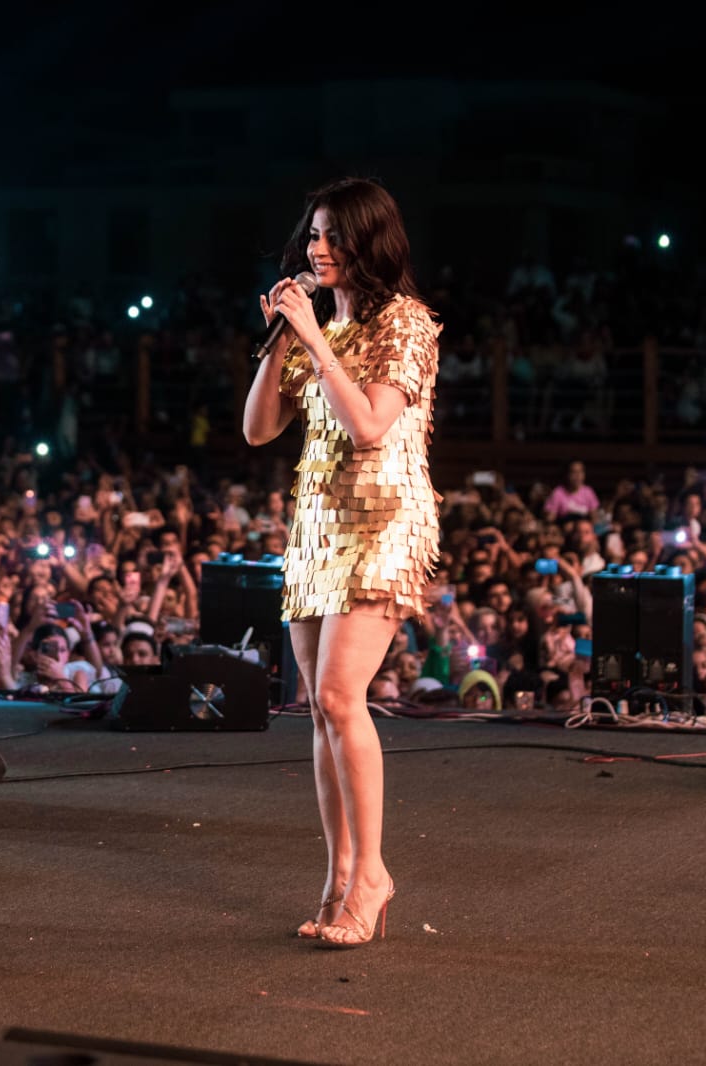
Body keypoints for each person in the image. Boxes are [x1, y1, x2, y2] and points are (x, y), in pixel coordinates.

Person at [241, 176, 440, 949]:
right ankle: (338, 877)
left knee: (338, 693)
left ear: (369, 242)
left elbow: (367, 427)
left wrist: (316, 340)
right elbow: (259, 429)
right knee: (320, 709)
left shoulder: (406, 323)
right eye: (314, 233)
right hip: (317, 529)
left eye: (332, 235)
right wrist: (282, 340)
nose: (317, 247)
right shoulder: (318, 327)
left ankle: (373, 876)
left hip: (383, 522)